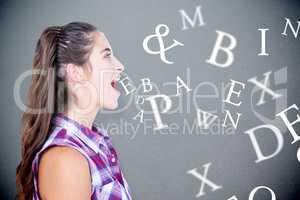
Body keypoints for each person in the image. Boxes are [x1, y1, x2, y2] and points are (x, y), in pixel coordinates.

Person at [15, 22, 133, 200]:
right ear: (76, 73)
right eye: (107, 56)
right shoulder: (65, 159)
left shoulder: (97, 143)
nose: (120, 66)